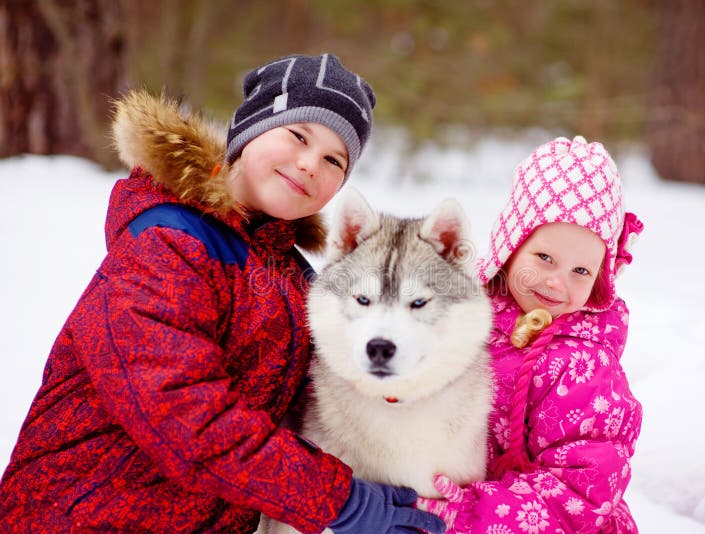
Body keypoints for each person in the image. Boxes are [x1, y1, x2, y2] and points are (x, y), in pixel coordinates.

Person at [0, 53, 444, 534]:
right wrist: (339, 500)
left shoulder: (293, 279)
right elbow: (181, 414)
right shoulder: (165, 243)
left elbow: (337, 392)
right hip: (80, 517)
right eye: (298, 135)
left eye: (335, 160)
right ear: (250, 128)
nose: (309, 164)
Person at [418, 136, 644, 533]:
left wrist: (469, 513)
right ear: (510, 245)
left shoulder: (583, 367)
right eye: (544, 258)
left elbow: (580, 489)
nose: (557, 284)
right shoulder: (466, 314)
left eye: (581, 271)